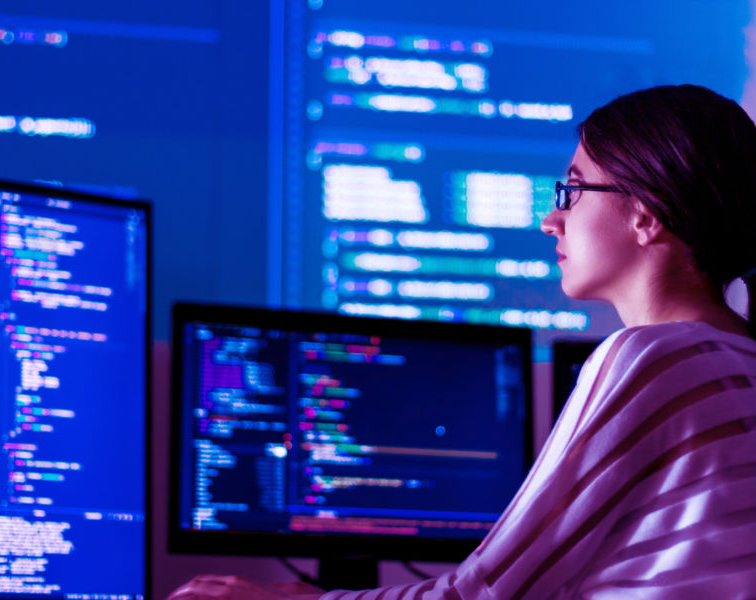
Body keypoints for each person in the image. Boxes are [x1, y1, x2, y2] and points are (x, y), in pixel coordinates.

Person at [166, 84, 756, 599]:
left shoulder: (655, 357)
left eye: (572, 192)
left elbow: (485, 594)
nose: (550, 221)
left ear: (645, 215)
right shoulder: (737, 360)